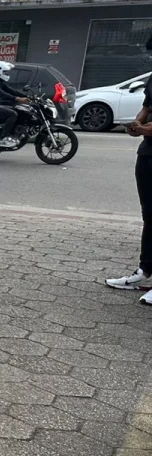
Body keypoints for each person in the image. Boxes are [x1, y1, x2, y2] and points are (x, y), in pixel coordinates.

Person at [104, 34, 152, 299]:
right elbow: (146, 108)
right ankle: (144, 272)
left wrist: (145, 128)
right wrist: (137, 125)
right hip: (147, 154)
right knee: (149, 216)